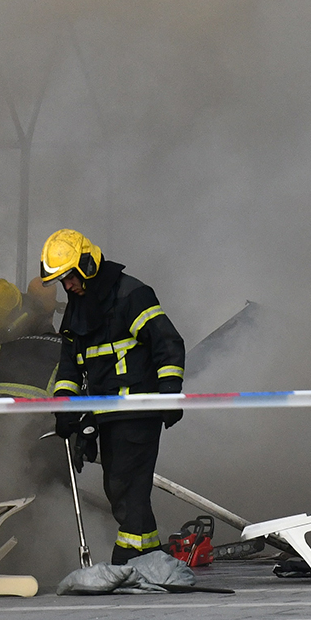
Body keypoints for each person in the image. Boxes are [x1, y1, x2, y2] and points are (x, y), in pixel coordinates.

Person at [41, 229, 186, 563]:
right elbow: (70, 367)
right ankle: (148, 554)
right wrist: (66, 410)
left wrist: (168, 394)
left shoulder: (131, 295)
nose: (67, 286)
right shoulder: (77, 309)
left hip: (138, 409)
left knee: (125, 485)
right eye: (61, 281)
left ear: (88, 265)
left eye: (70, 277)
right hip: (105, 414)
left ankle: (129, 557)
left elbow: (167, 343)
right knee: (119, 486)